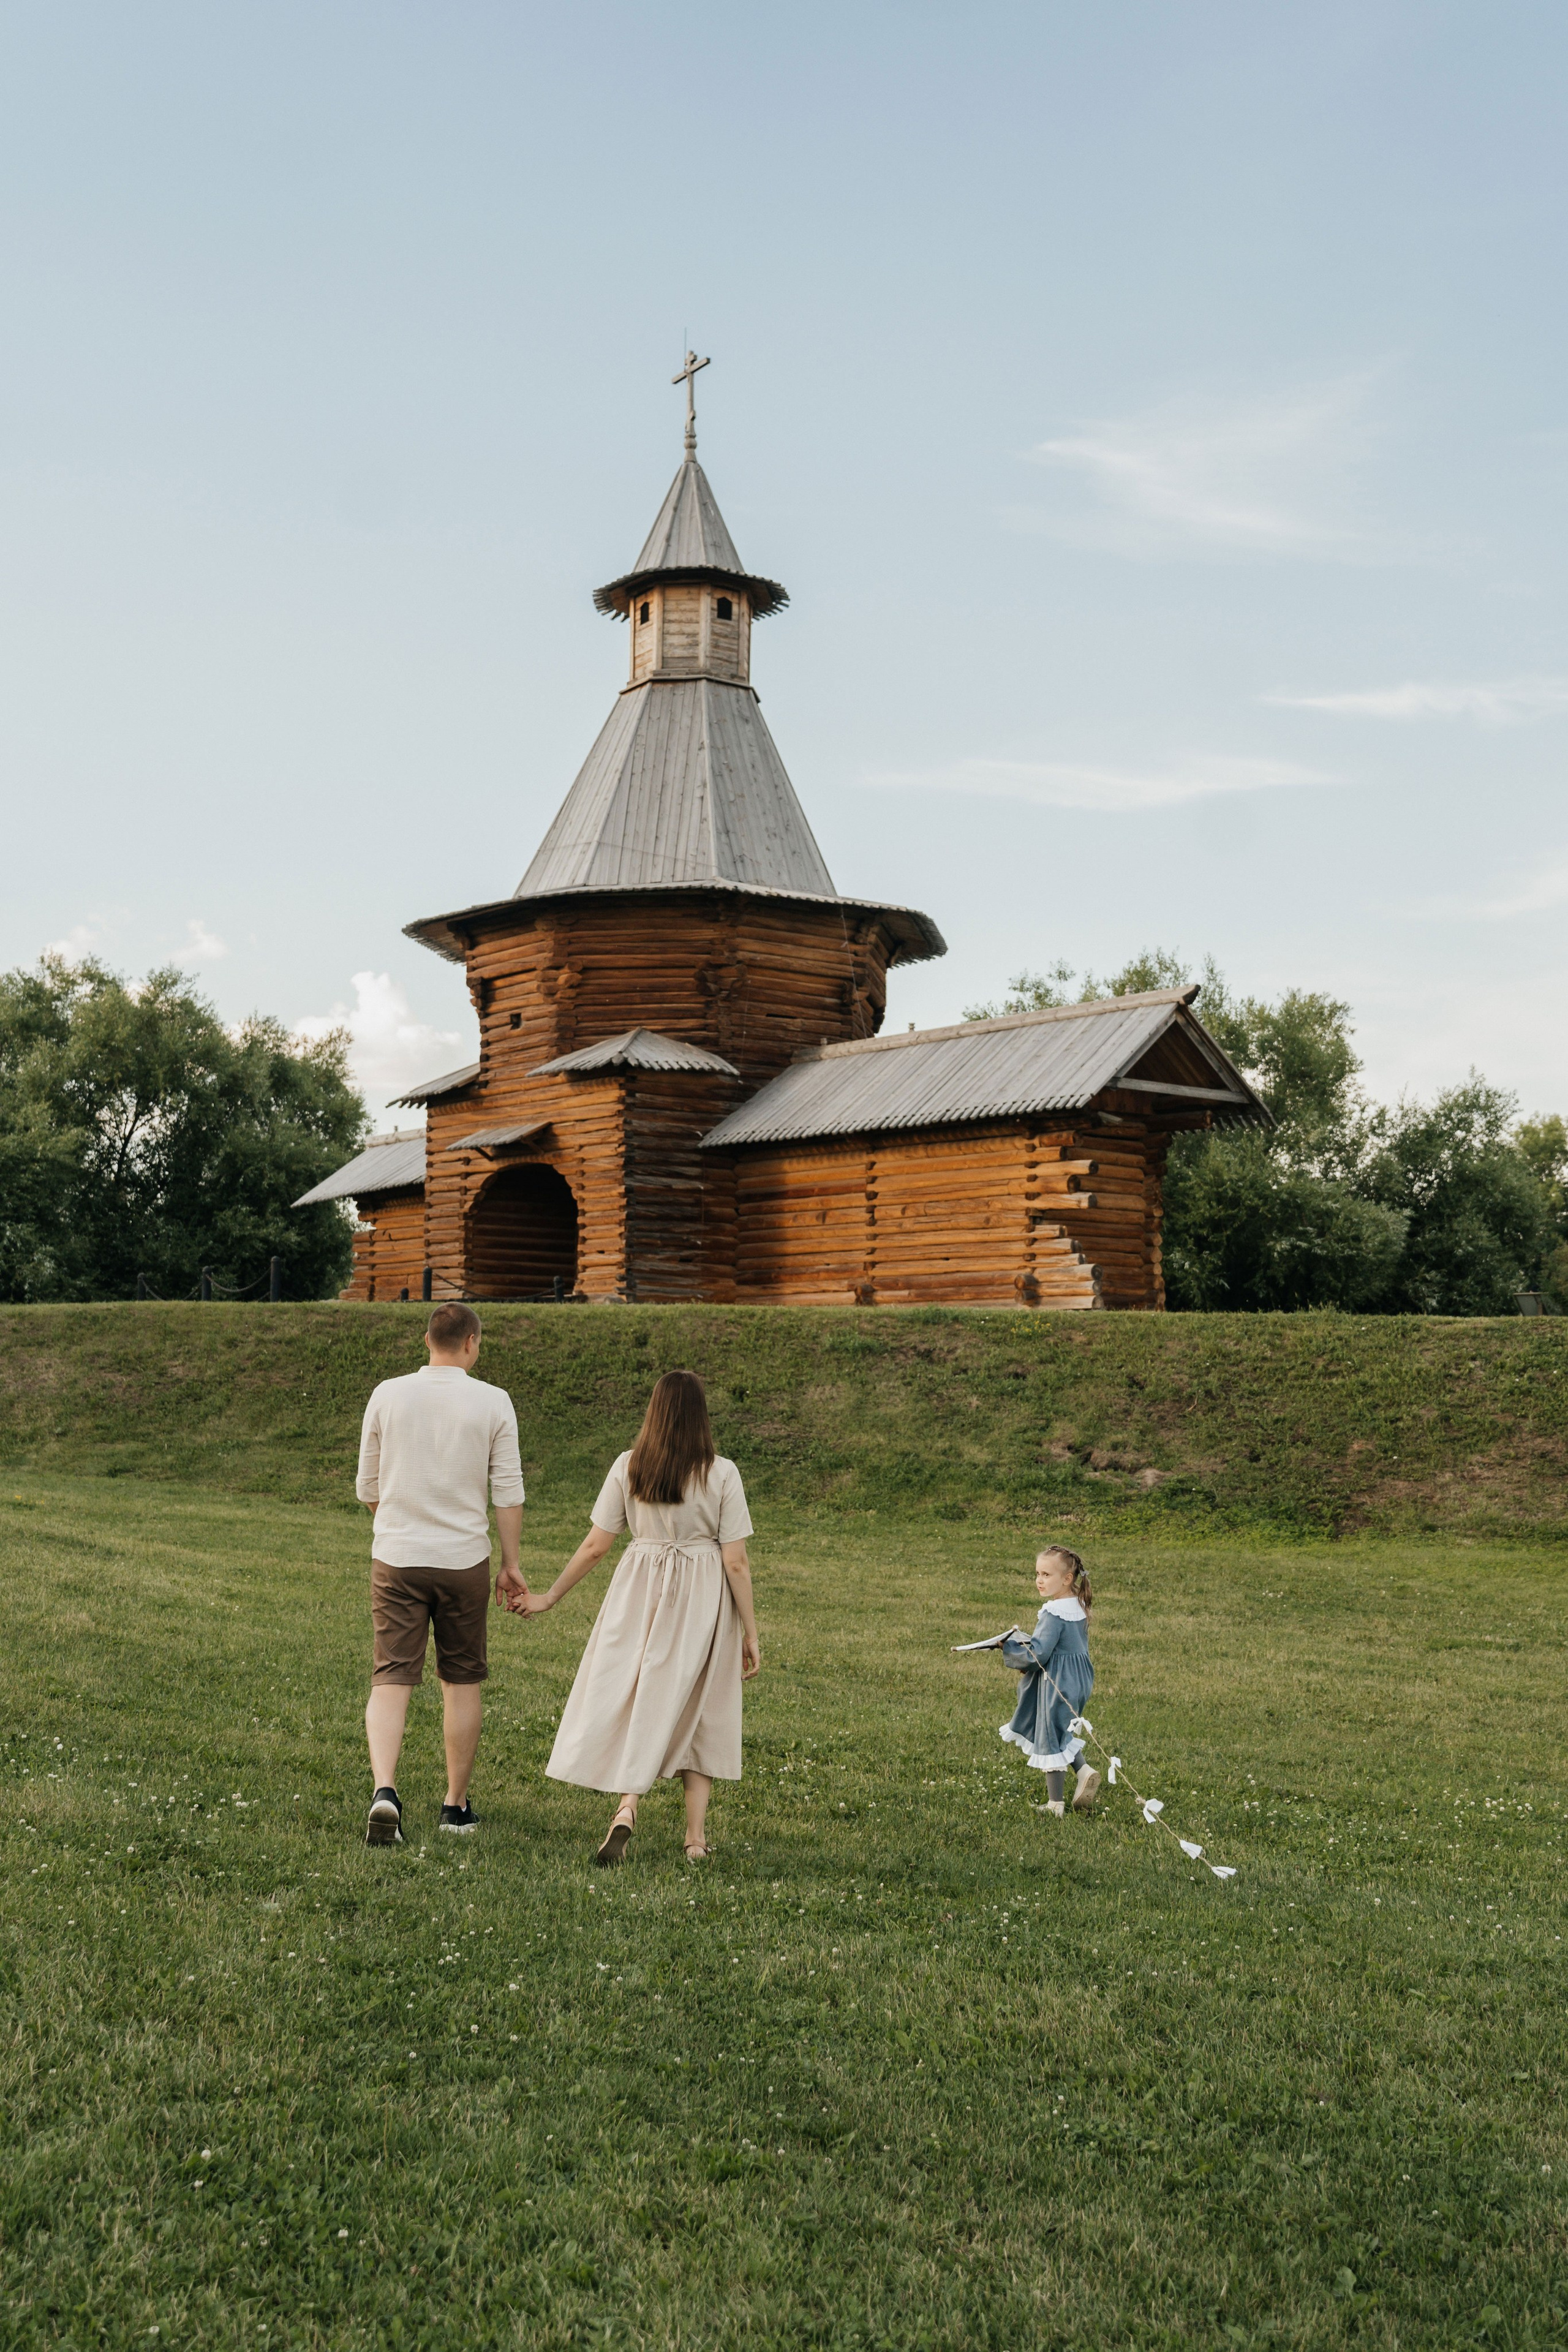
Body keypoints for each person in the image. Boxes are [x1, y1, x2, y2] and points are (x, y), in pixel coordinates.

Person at [517, 1369, 759, 1866]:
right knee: (702, 1705)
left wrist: (550, 1597)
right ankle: (695, 1839)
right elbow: (735, 1561)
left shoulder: (629, 1466)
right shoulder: (722, 1473)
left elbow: (596, 1545)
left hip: (639, 1589)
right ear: (701, 1416)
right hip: (703, 1596)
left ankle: (628, 1806)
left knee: (643, 1692)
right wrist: (751, 1632)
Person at [356, 1302, 527, 1847]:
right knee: (461, 1679)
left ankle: (385, 1791)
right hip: (464, 1561)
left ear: (428, 1340)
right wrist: (511, 1565)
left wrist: (398, 1526)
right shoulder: (494, 1401)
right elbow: (508, 1493)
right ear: (471, 1342)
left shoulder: (387, 1394)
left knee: (391, 1677)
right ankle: (455, 1807)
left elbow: (367, 1487)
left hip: (397, 1558)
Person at [999, 1545, 1101, 1818]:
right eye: (1037, 1574)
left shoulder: (1054, 1612)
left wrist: (1009, 1649)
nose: (1039, 1580)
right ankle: (1084, 1771)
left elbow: (1039, 1654)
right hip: (1079, 1679)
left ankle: (1056, 1805)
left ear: (1067, 1579)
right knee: (1060, 1728)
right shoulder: (1077, 1604)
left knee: (1049, 1735)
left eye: (1046, 1575)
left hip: (1057, 1681)